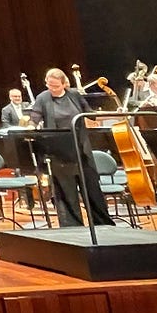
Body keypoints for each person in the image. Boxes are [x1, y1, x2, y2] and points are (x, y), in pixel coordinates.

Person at [31, 68, 114, 227]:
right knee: (67, 195)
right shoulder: (43, 98)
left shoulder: (74, 95)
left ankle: (103, 226)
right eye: (49, 85)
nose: (52, 89)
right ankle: (73, 229)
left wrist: (114, 114)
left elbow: (89, 114)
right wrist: (28, 125)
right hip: (60, 154)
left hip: (81, 150)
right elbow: (34, 117)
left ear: (64, 84)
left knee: (93, 191)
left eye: (56, 86)